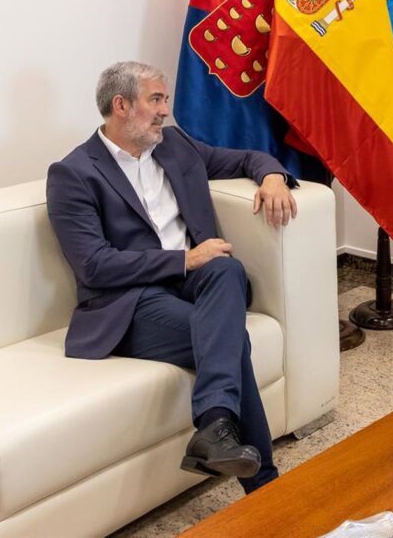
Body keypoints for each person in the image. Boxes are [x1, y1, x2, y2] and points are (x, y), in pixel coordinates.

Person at [46, 61, 298, 491]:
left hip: (194, 282)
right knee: (230, 339)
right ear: (121, 105)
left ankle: (215, 430)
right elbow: (94, 264)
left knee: (227, 267)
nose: (165, 111)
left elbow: (246, 157)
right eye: (156, 100)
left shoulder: (174, 145)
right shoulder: (74, 174)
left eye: (165, 99)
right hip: (129, 302)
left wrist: (273, 177)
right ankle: (265, 486)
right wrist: (184, 260)